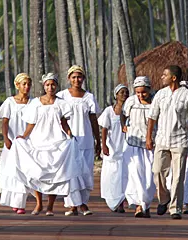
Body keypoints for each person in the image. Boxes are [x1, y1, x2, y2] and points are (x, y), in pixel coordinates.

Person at [3, 73, 85, 216]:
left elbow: (64, 123)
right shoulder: (36, 103)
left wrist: (70, 134)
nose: (50, 87)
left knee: (55, 175)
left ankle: (50, 207)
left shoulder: (62, 103)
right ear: (44, 86)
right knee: (37, 173)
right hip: (38, 141)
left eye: (53, 84)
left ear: (56, 86)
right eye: (47, 84)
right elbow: (31, 123)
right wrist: (23, 136)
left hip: (56, 141)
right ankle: (39, 203)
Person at [146, 65, 188, 219]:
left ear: (174, 78)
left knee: (178, 176)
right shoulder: (160, 95)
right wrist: (148, 137)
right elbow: (152, 117)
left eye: (165, 75)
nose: (162, 77)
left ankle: (175, 208)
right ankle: (164, 199)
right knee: (157, 171)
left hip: (180, 141)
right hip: (162, 139)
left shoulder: (187, 96)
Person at [57, 65, 100, 216]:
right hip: (68, 141)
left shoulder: (89, 97)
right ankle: (73, 205)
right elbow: (57, 118)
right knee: (70, 172)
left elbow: (93, 119)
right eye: (73, 77)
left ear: (83, 79)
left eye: (79, 77)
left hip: (86, 140)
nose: (77, 80)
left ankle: (83, 203)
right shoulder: (61, 96)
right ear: (69, 78)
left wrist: (98, 141)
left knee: (85, 172)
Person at [0, 73, 32, 214]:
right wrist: (6, 138)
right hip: (12, 142)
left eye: (29, 84)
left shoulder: (33, 102)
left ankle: (20, 203)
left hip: (27, 142)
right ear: (17, 85)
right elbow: (4, 122)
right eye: (24, 84)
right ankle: (14, 201)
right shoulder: (10, 102)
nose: (27, 87)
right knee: (11, 170)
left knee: (24, 171)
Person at [122, 76, 156, 218]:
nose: (141, 95)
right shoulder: (130, 102)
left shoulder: (156, 102)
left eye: (144, 92)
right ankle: (138, 206)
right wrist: (123, 126)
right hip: (133, 143)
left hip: (151, 144)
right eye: (138, 92)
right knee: (135, 174)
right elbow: (123, 115)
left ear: (149, 90)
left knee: (149, 176)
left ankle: (146, 204)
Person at [99, 84, 129, 213]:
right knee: (112, 175)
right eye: (121, 92)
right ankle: (114, 200)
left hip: (126, 146)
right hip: (113, 146)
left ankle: (122, 201)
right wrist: (104, 144)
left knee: (124, 174)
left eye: (126, 92)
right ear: (116, 95)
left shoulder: (130, 110)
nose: (124, 94)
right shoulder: (109, 111)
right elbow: (104, 128)